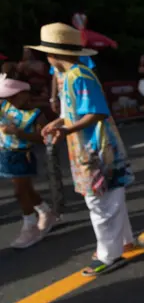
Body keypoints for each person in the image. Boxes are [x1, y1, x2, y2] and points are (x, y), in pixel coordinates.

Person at [30, 22, 136, 277]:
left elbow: (96, 112)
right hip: (88, 149)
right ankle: (123, 240)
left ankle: (109, 255)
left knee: (100, 201)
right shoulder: (70, 76)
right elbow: (72, 113)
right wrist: (58, 123)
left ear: (53, 54)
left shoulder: (79, 76)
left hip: (96, 150)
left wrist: (66, 129)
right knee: (109, 197)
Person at [0, 63, 59, 249]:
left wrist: (19, 133)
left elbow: (42, 139)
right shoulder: (4, 105)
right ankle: (45, 212)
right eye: (8, 96)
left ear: (25, 93)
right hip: (5, 154)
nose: (11, 100)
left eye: (14, 96)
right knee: (27, 190)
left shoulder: (36, 114)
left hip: (22, 156)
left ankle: (30, 226)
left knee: (19, 192)